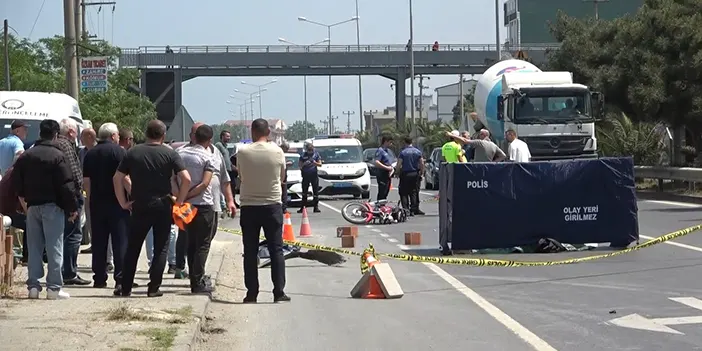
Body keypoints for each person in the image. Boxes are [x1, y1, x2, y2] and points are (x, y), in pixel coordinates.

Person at [114, 120, 191, 297]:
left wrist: (123, 202)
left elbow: (117, 178)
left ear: (146, 133)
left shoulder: (133, 152)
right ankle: (153, 288)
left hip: (139, 204)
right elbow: (186, 179)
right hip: (163, 204)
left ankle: (125, 288)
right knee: (161, 246)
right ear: (163, 135)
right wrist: (179, 202)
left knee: (133, 246)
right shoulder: (169, 154)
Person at [13, 119, 78, 300]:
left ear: (40, 133)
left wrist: (24, 199)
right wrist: (72, 208)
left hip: (32, 206)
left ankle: (33, 287)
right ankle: (54, 288)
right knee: (54, 247)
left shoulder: (27, 155)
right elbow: (66, 185)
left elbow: (16, 181)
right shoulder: (58, 155)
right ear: (56, 134)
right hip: (53, 207)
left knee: (34, 247)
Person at [237, 118, 289, 303]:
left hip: (249, 205)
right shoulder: (277, 151)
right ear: (268, 133)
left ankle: (252, 293)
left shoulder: (242, 152)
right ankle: (278, 292)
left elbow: (241, 176)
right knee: (276, 249)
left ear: (252, 132)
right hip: (272, 204)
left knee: (250, 251)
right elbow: (282, 177)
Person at [83, 122, 132, 292]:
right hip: (118, 204)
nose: (119, 137)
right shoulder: (120, 152)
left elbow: (86, 182)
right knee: (120, 242)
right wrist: (132, 197)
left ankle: (99, 277)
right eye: (118, 134)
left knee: (99, 242)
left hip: (97, 203)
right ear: (113, 136)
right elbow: (124, 178)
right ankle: (120, 278)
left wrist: (89, 201)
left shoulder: (90, 154)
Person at [175, 124, 217, 294]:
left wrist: (181, 196)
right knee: (203, 244)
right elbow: (204, 184)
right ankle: (197, 281)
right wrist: (190, 195)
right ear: (209, 140)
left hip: (184, 205)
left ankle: (193, 277)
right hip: (203, 205)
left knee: (190, 242)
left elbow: (172, 179)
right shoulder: (208, 157)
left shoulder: (179, 154)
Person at [56, 118, 90, 286]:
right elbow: (74, 175)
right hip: (71, 198)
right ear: (70, 132)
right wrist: (78, 196)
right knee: (73, 235)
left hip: (58, 198)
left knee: (62, 235)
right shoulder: (67, 146)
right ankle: (69, 272)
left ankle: (63, 271)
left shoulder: (56, 143)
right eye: (76, 130)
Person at [396, 137, 425, 215]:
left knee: (404, 192)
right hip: (415, 173)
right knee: (414, 192)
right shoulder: (418, 152)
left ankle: (406, 210)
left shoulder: (403, 152)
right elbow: (422, 163)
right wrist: (422, 173)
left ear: (405, 142)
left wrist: (397, 172)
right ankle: (414, 209)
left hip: (405, 174)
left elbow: (399, 164)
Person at [298, 140, 321, 213]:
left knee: (315, 191)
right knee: (304, 192)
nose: (310, 152)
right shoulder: (303, 155)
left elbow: (320, 164)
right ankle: (303, 207)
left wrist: (315, 163)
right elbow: (300, 166)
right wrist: (304, 164)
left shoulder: (316, 155)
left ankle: (316, 207)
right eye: (309, 150)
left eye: (311, 150)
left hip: (314, 175)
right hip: (305, 175)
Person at [374, 135, 394, 201]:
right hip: (382, 174)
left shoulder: (389, 151)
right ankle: (379, 207)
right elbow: (377, 162)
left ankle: (383, 207)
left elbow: (392, 161)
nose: (391, 144)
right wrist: (387, 168)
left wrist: (392, 168)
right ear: (385, 142)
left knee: (386, 192)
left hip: (388, 174)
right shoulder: (380, 150)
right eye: (390, 142)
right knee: (382, 192)